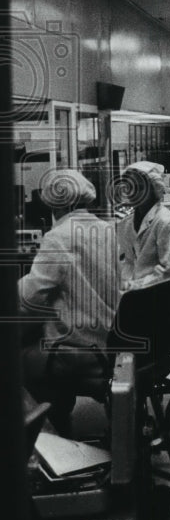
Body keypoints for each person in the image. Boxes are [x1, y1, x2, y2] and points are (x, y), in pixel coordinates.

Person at [17, 168, 120, 434]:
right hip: (106, 340)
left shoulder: (58, 237)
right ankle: (60, 409)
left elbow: (29, 296)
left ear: (53, 202)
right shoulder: (106, 229)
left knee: (17, 358)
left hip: (76, 349)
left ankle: (53, 431)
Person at [116, 161, 170, 290]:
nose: (133, 193)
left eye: (140, 188)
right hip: (129, 290)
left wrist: (133, 286)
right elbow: (126, 262)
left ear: (154, 189)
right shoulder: (126, 223)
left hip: (154, 292)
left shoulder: (167, 223)